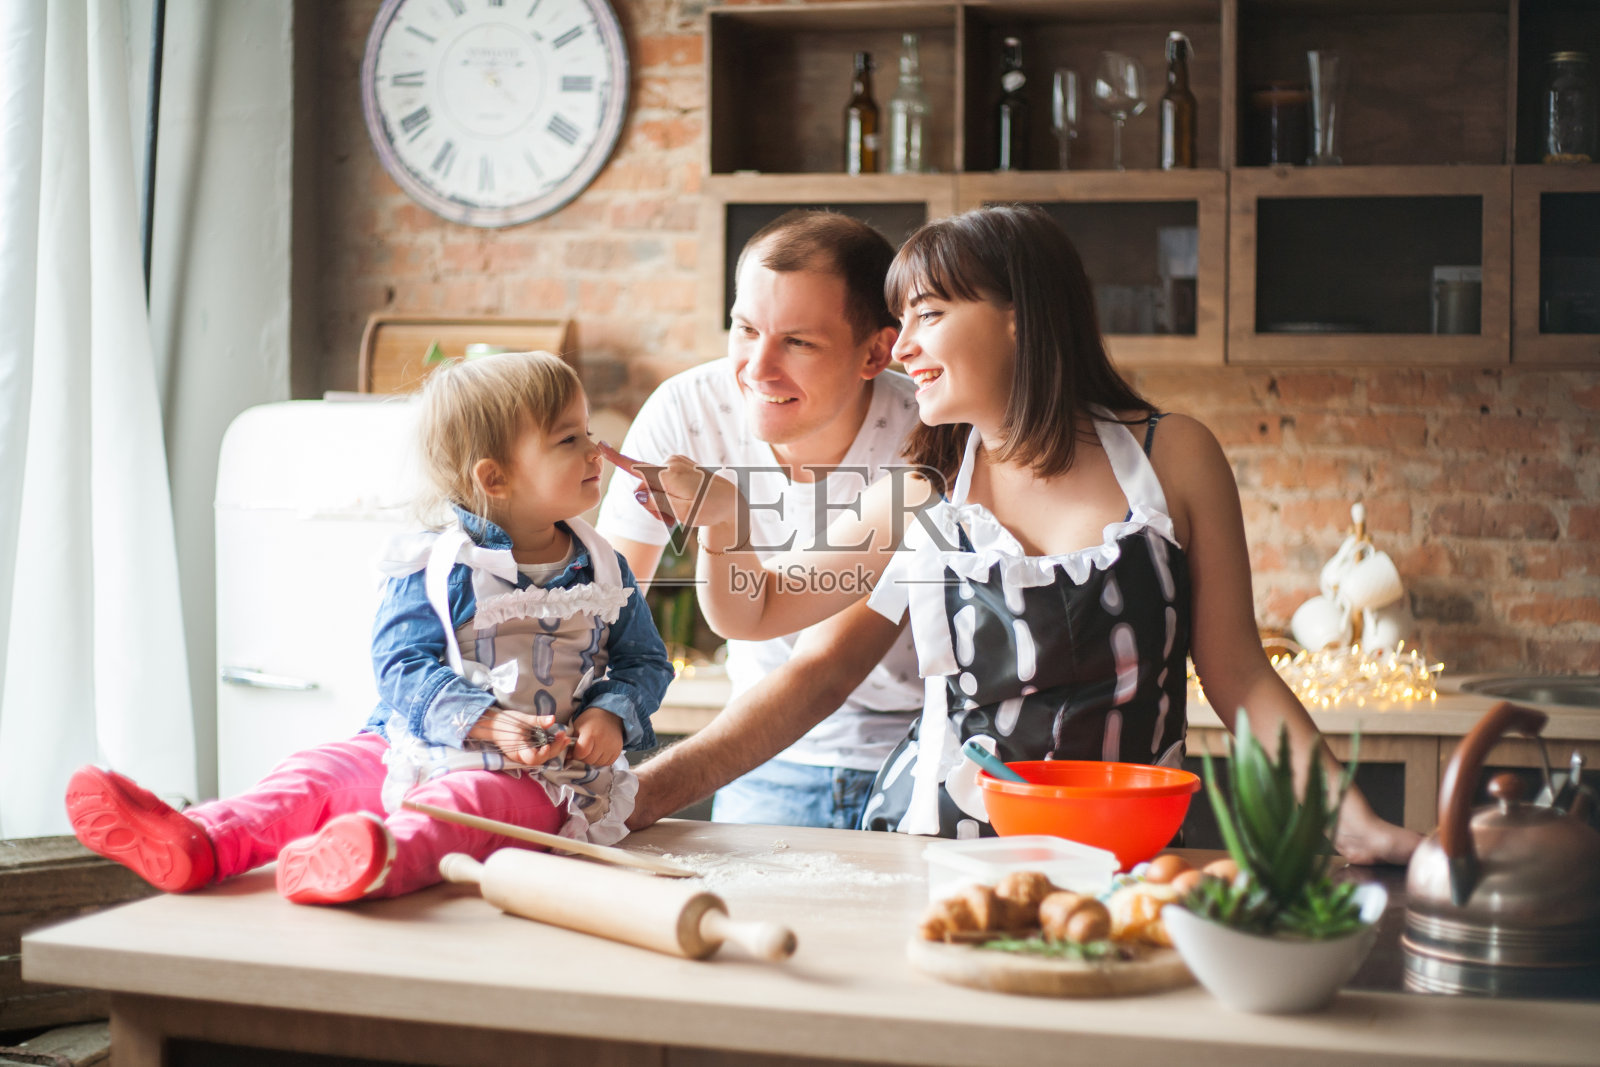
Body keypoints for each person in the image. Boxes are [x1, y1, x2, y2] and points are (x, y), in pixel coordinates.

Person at [629, 205, 1420, 864]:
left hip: (1126, 851)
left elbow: (1240, 674)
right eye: (900, 321)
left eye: (928, 316)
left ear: (1018, 318)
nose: (900, 349)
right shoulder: (926, 478)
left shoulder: (1172, 456)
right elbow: (759, 611)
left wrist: (1346, 816)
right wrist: (725, 526)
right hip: (938, 846)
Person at [66, 352, 673, 904]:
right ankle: (201, 840)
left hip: (538, 779)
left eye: (588, 431)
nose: (597, 449)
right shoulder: (436, 564)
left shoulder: (602, 568)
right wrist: (485, 720)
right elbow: (401, 665)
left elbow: (644, 662)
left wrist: (610, 715)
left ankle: (373, 858)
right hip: (405, 745)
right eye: (569, 439)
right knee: (316, 775)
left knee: (460, 808)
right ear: (495, 479)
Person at [597, 209, 925, 831]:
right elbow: (608, 605)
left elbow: (825, 668)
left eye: (798, 342)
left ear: (877, 351)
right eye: (745, 329)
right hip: (758, 756)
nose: (756, 368)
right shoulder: (685, 411)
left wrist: (637, 796)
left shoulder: (928, 434)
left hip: (917, 759)